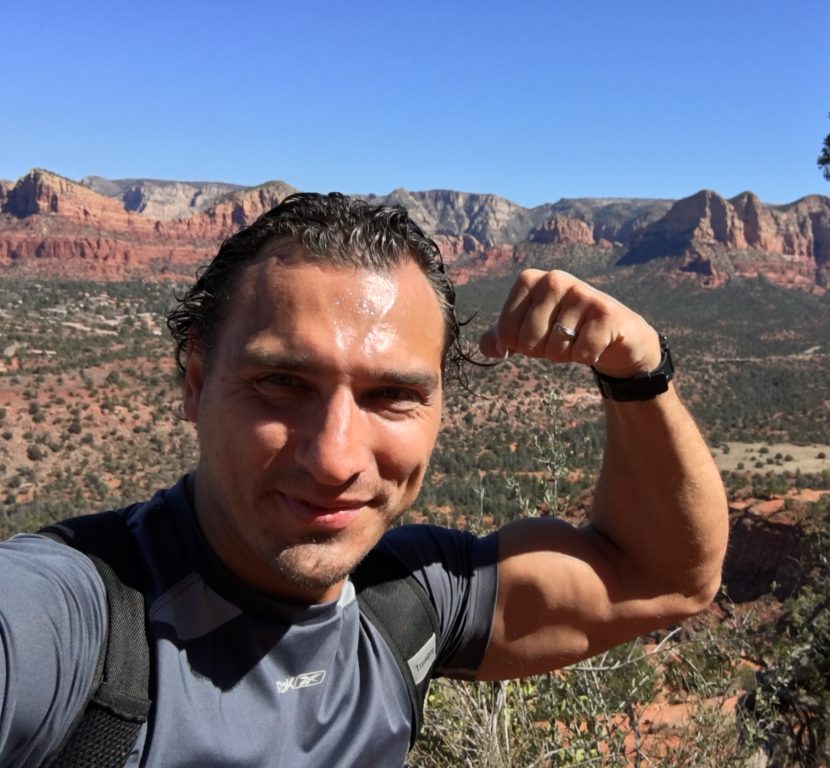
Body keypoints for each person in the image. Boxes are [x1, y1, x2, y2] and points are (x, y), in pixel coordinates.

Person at [0, 193, 729, 766]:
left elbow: (666, 577)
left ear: (441, 404)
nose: (335, 459)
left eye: (391, 396)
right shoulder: (77, 626)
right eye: (281, 381)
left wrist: (639, 378)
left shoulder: (405, 606)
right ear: (195, 382)